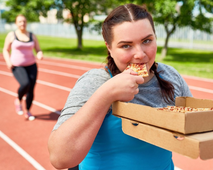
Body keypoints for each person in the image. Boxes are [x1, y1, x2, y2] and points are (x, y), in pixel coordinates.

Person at [48, 4, 193, 170]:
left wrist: (212, 115)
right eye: (126, 45)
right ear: (109, 48)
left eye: (147, 41)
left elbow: (192, 126)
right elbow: (59, 159)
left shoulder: (170, 76)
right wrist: (106, 94)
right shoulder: (96, 81)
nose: (140, 54)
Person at [3, 14, 43, 121]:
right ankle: (18, 100)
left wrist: (39, 54)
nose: (22, 24)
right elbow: (5, 50)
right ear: (16, 23)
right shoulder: (12, 35)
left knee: (31, 89)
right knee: (25, 84)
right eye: (20, 21)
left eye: (24, 21)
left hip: (32, 65)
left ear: (27, 22)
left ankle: (28, 111)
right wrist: (8, 61)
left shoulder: (32, 36)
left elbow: (38, 49)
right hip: (17, 66)